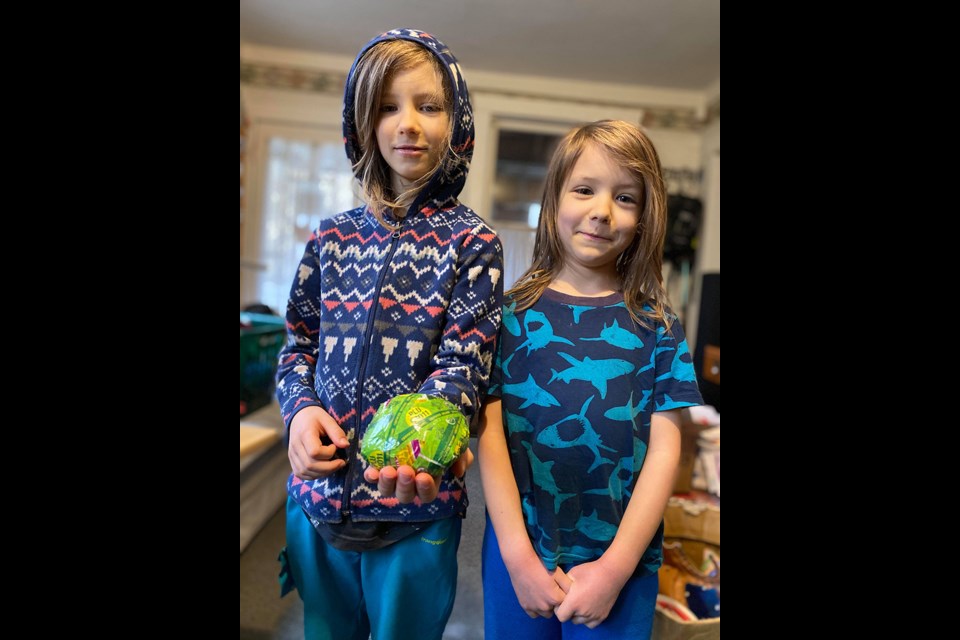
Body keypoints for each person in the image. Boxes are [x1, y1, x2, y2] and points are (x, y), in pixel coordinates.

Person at [275, 28, 503, 640]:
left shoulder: (473, 243)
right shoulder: (329, 238)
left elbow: (465, 363)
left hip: (416, 508)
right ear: (361, 123)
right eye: (387, 106)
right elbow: (296, 345)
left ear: (457, 122)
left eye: (429, 106)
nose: (409, 124)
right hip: (318, 500)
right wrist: (298, 414)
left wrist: (423, 434)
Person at [477, 120, 703, 639]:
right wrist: (517, 559)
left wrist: (613, 570)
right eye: (585, 190)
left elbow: (666, 452)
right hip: (521, 557)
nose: (602, 211)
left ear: (646, 218)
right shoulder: (507, 316)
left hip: (621, 567)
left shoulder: (660, 327)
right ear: (554, 198)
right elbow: (489, 434)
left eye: (625, 198)